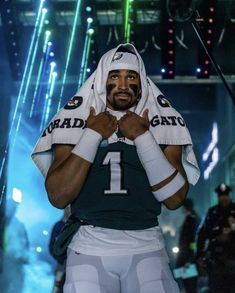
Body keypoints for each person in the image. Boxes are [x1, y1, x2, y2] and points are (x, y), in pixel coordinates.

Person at [32, 43, 200, 293]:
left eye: (131, 76)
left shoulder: (163, 119)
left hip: (147, 244)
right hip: (89, 245)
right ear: (102, 80)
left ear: (141, 82)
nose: (123, 84)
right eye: (115, 76)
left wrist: (143, 136)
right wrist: (91, 134)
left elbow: (175, 199)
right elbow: (59, 196)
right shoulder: (73, 119)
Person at [196, 183, 235, 293]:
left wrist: (230, 238)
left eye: (226, 195)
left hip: (233, 259)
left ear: (229, 196)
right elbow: (201, 234)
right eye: (221, 196)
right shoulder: (212, 212)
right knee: (216, 288)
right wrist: (199, 254)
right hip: (216, 260)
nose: (224, 198)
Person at [0, 198, 29, 293]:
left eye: (14, 208)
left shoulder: (19, 226)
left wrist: (23, 256)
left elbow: (25, 245)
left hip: (14, 266)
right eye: (10, 207)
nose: (12, 210)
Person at [175, 198, 200, 293]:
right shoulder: (191, 218)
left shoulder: (192, 220)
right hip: (187, 259)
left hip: (188, 261)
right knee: (188, 285)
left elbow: (193, 241)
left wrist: (190, 260)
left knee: (190, 286)